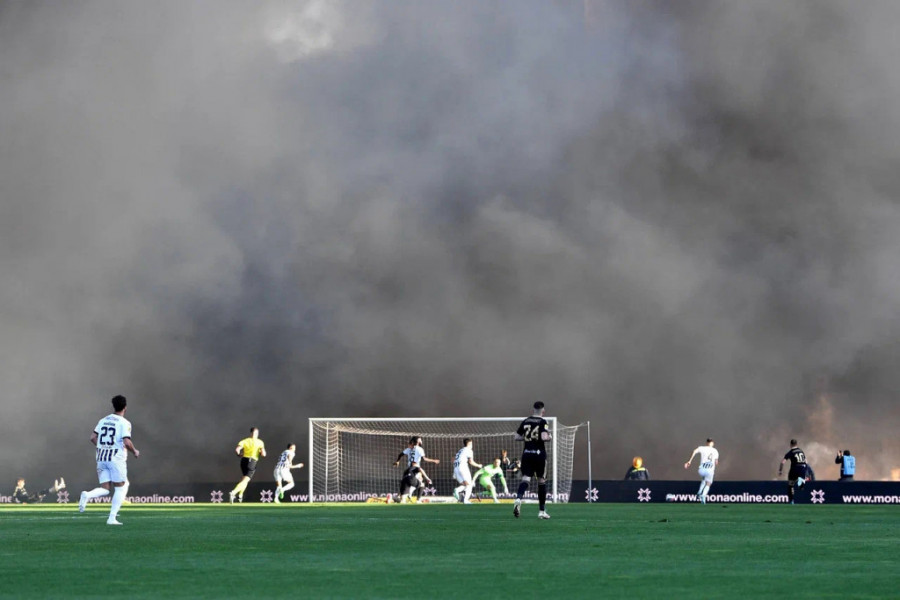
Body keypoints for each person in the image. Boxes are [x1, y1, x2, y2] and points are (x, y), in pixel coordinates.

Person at [78, 395, 140, 525]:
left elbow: (92, 437)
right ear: (125, 407)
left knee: (105, 489)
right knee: (121, 488)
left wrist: (103, 447)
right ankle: (112, 518)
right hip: (115, 459)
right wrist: (134, 451)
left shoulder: (103, 420)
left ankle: (87, 495)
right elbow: (127, 441)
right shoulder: (124, 423)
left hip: (101, 457)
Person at [513, 401, 552, 519]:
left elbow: (516, 436)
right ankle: (541, 511)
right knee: (541, 481)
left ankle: (518, 499)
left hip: (527, 454)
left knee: (525, 479)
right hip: (539, 455)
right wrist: (549, 436)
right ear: (543, 411)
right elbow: (544, 437)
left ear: (532, 410)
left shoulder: (526, 421)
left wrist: (527, 438)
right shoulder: (543, 422)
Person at [230, 427, 266, 503]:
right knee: (246, 480)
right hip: (252, 461)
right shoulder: (260, 442)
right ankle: (234, 492)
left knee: (244, 479)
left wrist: (239, 454)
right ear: (257, 433)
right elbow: (264, 454)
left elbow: (237, 450)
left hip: (244, 461)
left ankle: (240, 495)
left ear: (251, 433)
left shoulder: (245, 441)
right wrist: (260, 452)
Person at [684, 439, 718, 504]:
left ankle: (699, 492)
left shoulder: (702, 448)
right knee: (708, 483)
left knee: (704, 479)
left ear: (706, 443)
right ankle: (703, 495)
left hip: (701, 470)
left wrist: (689, 461)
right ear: (712, 443)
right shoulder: (715, 450)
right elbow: (716, 462)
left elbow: (694, 451)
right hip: (710, 470)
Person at [778, 439, 810, 504]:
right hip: (802, 468)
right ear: (796, 444)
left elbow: (782, 462)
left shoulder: (790, 452)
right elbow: (806, 462)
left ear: (790, 445)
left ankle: (792, 501)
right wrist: (806, 472)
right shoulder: (801, 451)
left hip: (794, 469)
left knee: (790, 485)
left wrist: (780, 471)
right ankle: (802, 482)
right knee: (800, 486)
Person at [452, 438, 482, 504]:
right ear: (469, 444)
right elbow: (471, 462)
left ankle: (457, 490)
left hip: (456, 469)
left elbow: (453, 459)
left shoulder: (460, 450)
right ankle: (466, 500)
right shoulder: (469, 450)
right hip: (463, 468)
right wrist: (478, 465)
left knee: (465, 485)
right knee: (470, 485)